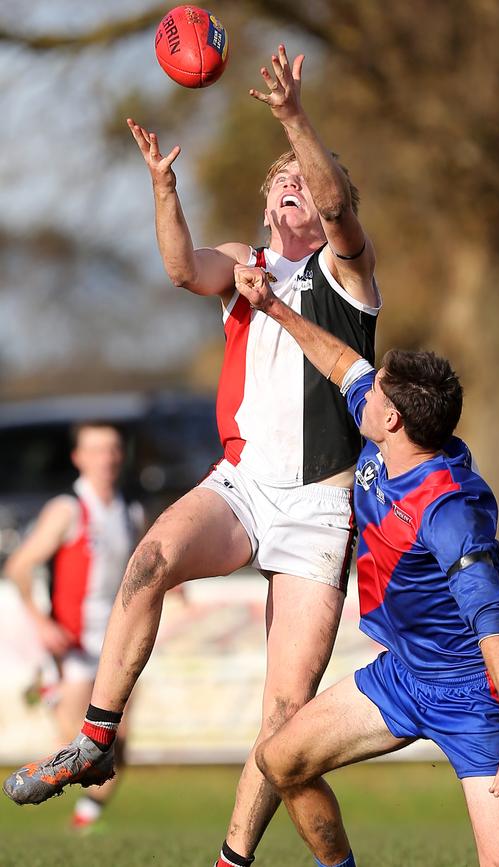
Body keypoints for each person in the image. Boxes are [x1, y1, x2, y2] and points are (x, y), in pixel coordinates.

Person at [3, 45, 380, 867]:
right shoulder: (245, 268)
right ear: (266, 200)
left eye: (305, 180)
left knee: (284, 720)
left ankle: (232, 858)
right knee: (149, 561)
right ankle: (97, 738)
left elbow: (340, 200)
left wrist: (292, 120)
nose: (294, 185)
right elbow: (180, 267)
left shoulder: (348, 276)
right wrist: (163, 190)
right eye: (281, 175)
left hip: (319, 507)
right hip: (243, 486)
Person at [236, 265, 499, 866]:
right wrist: (273, 307)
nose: (364, 389)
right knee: (281, 761)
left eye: (376, 391)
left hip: (475, 697)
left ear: (394, 419)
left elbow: (494, 624)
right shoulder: (389, 442)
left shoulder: (449, 509)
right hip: (403, 675)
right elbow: (340, 362)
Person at [3, 422, 143, 831]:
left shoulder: (130, 511)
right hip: (73, 645)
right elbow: (19, 566)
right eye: (96, 450)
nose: (107, 458)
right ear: (78, 458)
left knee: (116, 745)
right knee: (79, 744)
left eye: (113, 449)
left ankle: (83, 823)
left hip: (116, 640)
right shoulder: (68, 509)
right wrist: (41, 621)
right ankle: (49, 692)